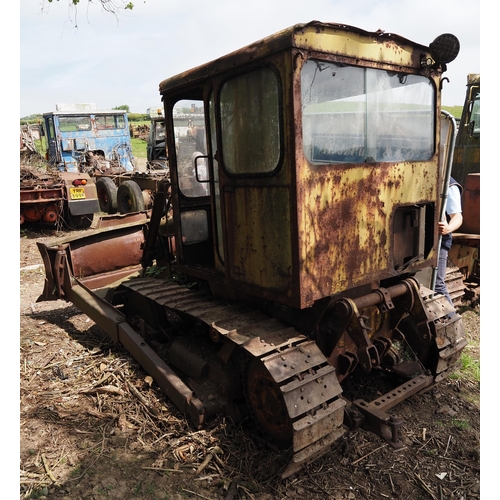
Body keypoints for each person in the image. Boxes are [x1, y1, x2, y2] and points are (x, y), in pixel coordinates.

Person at [435, 177, 463, 309]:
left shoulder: (449, 185)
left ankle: (454, 325)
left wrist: (448, 228)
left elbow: (457, 217)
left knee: (436, 283)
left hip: (439, 241)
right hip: (418, 239)